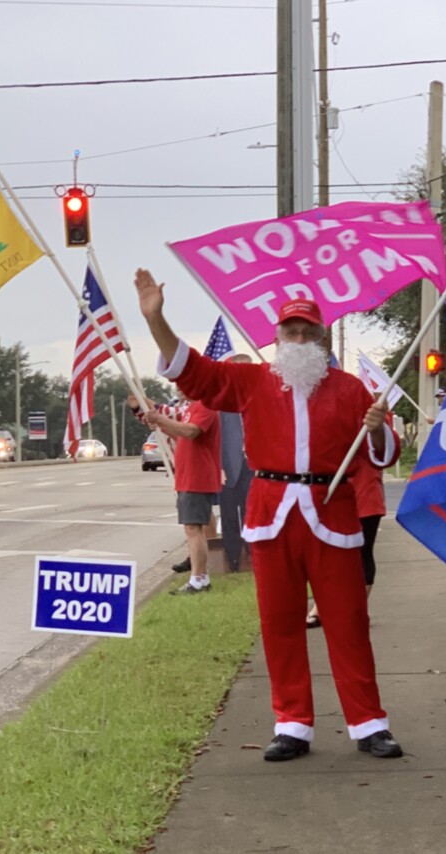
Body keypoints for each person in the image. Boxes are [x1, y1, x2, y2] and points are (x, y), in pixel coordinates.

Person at [133, 268, 404, 761]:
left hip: (332, 515)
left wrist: (378, 428)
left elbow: (380, 454)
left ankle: (368, 722)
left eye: (307, 332)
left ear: (320, 339)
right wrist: (157, 319)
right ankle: (293, 724)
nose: (298, 339)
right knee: (278, 622)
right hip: (271, 514)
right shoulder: (252, 381)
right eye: (290, 332)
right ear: (277, 338)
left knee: (348, 622)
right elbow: (192, 372)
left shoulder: (349, 391)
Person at [307, 399, 393, 628]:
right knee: (326, 556)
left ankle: (356, 608)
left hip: (364, 494)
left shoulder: (369, 412)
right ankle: (323, 606)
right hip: (330, 494)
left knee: (361, 554)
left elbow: (384, 449)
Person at [130, 390, 221, 594]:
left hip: (198, 475)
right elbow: (183, 437)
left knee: (193, 528)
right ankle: (200, 577)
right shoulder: (191, 408)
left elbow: (191, 432)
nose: (180, 387)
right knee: (193, 527)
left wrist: (161, 419)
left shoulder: (206, 405)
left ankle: (199, 579)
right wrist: (162, 426)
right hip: (188, 474)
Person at [219, 354, 254, 573]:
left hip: (254, 465)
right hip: (229, 466)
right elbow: (216, 438)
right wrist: (218, 466)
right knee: (229, 515)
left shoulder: (258, 397)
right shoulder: (222, 401)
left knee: (252, 513)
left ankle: (253, 556)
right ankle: (232, 560)